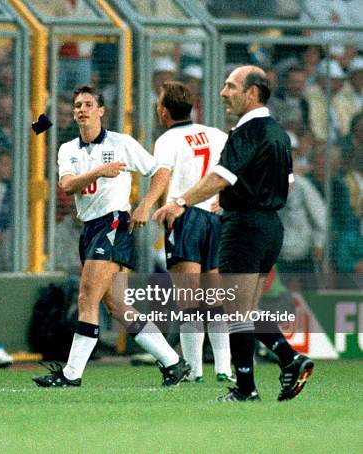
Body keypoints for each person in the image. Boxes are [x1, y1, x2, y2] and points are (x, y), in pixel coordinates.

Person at [154, 65, 314, 402]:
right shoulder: (278, 133)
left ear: (253, 92)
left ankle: (273, 369)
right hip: (271, 226)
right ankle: (262, 376)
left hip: (244, 225)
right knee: (242, 309)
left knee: (235, 309)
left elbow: (221, 177)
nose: (224, 92)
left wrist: (180, 201)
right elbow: (287, 182)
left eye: (231, 86)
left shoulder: (246, 132)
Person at [32, 85, 189, 388]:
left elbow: (159, 172)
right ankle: (173, 362)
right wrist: (98, 172)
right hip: (89, 226)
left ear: (101, 111)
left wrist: (144, 204)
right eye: (77, 104)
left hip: (114, 223)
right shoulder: (68, 149)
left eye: (88, 104)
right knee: (115, 305)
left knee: (86, 297)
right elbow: (67, 186)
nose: (81, 109)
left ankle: (71, 374)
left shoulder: (121, 143)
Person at [150, 81, 233, 383]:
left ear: (164, 110)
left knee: (188, 298)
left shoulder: (166, 141)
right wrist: (223, 201)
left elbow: (162, 178)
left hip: (184, 216)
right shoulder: (216, 134)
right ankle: (224, 368)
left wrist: (160, 212)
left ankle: (195, 370)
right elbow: (236, 172)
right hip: (214, 217)